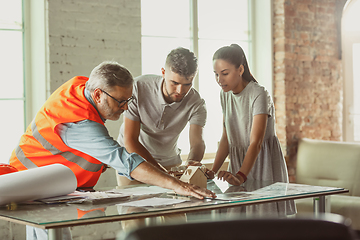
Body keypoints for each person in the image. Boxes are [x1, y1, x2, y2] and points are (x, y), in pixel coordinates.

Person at [9, 61, 215, 240]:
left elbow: (75, 147)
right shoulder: (80, 122)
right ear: (98, 94)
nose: (125, 107)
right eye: (120, 101)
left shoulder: (82, 88)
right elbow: (125, 160)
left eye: (128, 100)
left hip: (42, 181)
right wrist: (177, 185)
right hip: (29, 181)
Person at [207, 44, 295, 215]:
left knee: (263, 227)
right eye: (216, 74)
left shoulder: (259, 93)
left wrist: (241, 175)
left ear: (240, 69)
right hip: (239, 165)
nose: (219, 79)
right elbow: (227, 137)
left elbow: (256, 142)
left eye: (225, 73)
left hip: (263, 164)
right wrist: (213, 171)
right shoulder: (224, 94)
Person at [117, 47, 207, 186]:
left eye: (187, 84)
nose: (180, 91)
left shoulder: (196, 103)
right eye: (174, 83)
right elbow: (130, 141)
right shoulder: (138, 88)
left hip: (170, 163)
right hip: (133, 160)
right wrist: (161, 173)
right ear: (163, 73)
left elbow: (197, 142)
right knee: (133, 207)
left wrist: (191, 163)